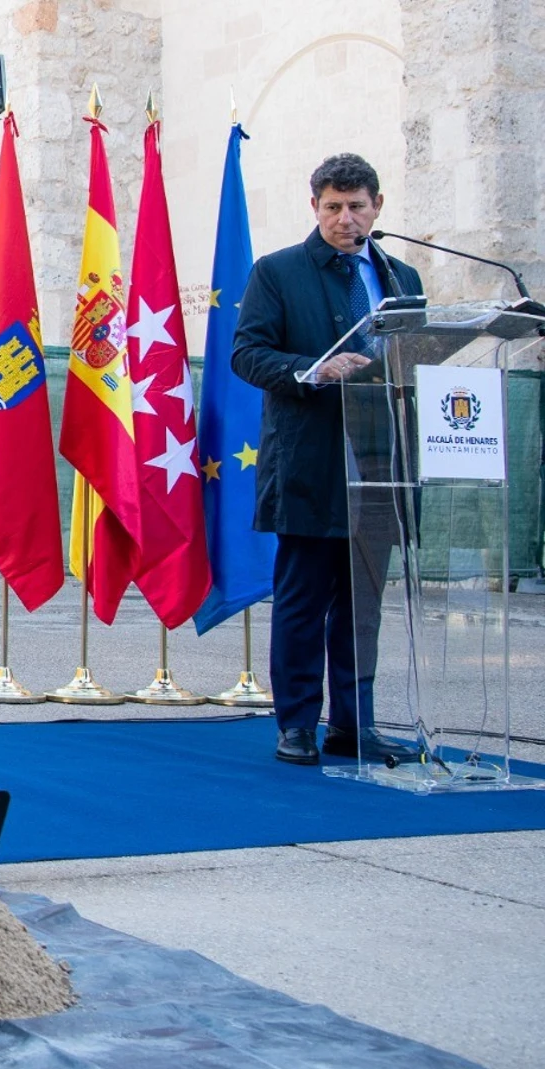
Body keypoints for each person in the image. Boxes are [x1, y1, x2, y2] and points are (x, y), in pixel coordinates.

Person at [231, 153, 422, 766]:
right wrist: (309, 370)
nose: (345, 218)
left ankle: (354, 724)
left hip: (380, 463)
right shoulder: (278, 272)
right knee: (304, 602)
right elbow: (247, 354)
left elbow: (418, 355)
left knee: (362, 605)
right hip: (311, 460)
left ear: (378, 207)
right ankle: (296, 724)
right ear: (314, 207)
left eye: (356, 206)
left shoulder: (402, 278)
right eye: (333, 207)